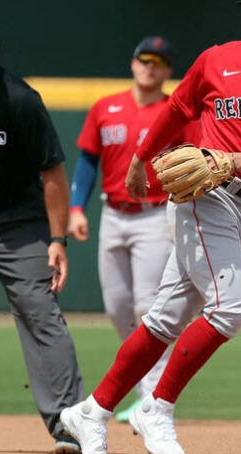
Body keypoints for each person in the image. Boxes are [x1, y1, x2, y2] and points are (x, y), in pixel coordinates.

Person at [59, 0, 241, 454]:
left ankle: (91, 411)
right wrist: (141, 158)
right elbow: (177, 109)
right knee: (229, 310)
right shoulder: (216, 60)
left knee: (165, 320)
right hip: (203, 195)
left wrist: (239, 161)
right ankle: (157, 407)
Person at [0, 12, 85, 454]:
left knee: (39, 311)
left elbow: (52, 173)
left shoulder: (20, 99)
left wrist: (58, 239)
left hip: (17, 223)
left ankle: (68, 422)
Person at [68, 36, 199, 423]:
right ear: (133, 63)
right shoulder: (105, 108)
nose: (150, 66)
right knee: (118, 307)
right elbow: (87, 162)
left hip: (155, 215)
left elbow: (196, 161)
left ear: (168, 70)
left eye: (159, 61)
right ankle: (141, 384)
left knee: (147, 306)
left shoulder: (175, 112)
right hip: (113, 214)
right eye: (145, 59)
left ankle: (150, 400)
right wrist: (77, 207)